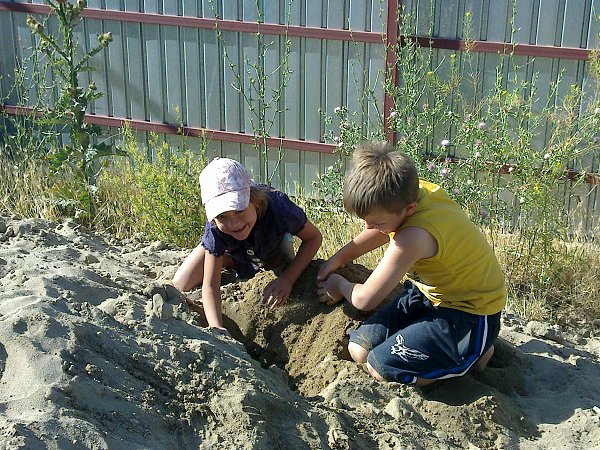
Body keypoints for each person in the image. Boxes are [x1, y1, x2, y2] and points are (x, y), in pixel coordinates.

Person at [316, 141, 506, 386]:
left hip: (469, 312)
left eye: (376, 223)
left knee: (380, 366)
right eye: (366, 221)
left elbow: (365, 300)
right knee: (359, 349)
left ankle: (475, 351)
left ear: (410, 209)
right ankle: (455, 346)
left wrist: (340, 284)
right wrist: (339, 258)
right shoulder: (409, 192)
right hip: (429, 296)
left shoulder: (415, 236)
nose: (368, 228)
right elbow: (384, 227)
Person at [173, 157, 322, 335]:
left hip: (272, 245)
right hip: (234, 251)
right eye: (222, 216)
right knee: (179, 285)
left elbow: (314, 238)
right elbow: (211, 285)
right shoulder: (216, 228)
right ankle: (226, 263)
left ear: (254, 199)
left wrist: (287, 279)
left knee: (287, 263)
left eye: (239, 210)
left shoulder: (278, 207)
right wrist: (216, 327)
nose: (234, 222)